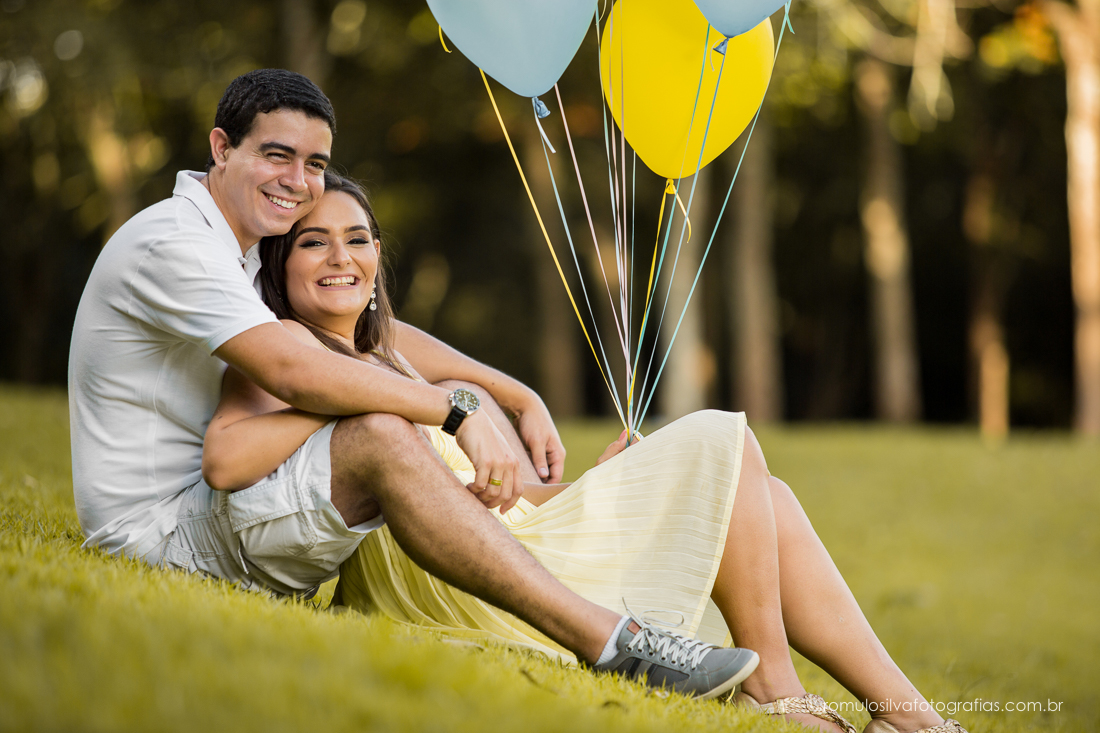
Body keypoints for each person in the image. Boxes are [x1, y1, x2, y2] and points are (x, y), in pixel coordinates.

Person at [67, 68, 758, 702]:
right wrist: (452, 409)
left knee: (378, 405)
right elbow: (294, 370)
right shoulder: (179, 244)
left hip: (217, 508)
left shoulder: (237, 246)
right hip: (162, 535)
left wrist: (511, 393)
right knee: (378, 427)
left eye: (315, 163)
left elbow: (371, 338)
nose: (297, 180)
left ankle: (775, 688)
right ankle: (610, 640)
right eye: (277, 155)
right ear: (222, 148)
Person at [202, 172, 968, 733]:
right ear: (281, 264)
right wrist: (355, 399)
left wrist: (563, 439)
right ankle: (774, 688)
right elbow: (232, 454)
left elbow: (493, 464)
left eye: (356, 239)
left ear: (376, 257)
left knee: (773, 496)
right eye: (313, 242)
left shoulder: (387, 349)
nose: (339, 257)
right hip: (443, 583)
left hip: (508, 542)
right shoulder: (286, 350)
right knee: (720, 435)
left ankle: (910, 715)